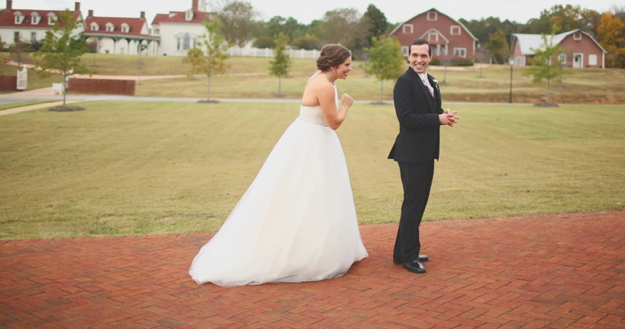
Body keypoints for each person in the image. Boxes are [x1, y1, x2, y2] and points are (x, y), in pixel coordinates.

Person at [190, 44, 368, 286]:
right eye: (346, 64)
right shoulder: (324, 85)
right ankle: (302, 251)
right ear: (333, 64)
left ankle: (318, 245)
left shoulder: (322, 78)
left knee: (316, 194)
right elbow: (334, 122)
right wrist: (346, 105)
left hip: (311, 138)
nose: (350, 68)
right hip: (312, 142)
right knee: (309, 192)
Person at [389, 39, 458, 274]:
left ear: (431, 58)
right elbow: (406, 118)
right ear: (408, 56)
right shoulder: (404, 83)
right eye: (415, 55)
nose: (419, 59)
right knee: (413, 204)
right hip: (410, 153)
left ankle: (403, 251)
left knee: (418, 204)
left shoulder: (431, 81)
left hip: (427, 152)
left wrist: (443, 114)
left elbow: (429, 111)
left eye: (423, 56)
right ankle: (408, 256)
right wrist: (436, 119)